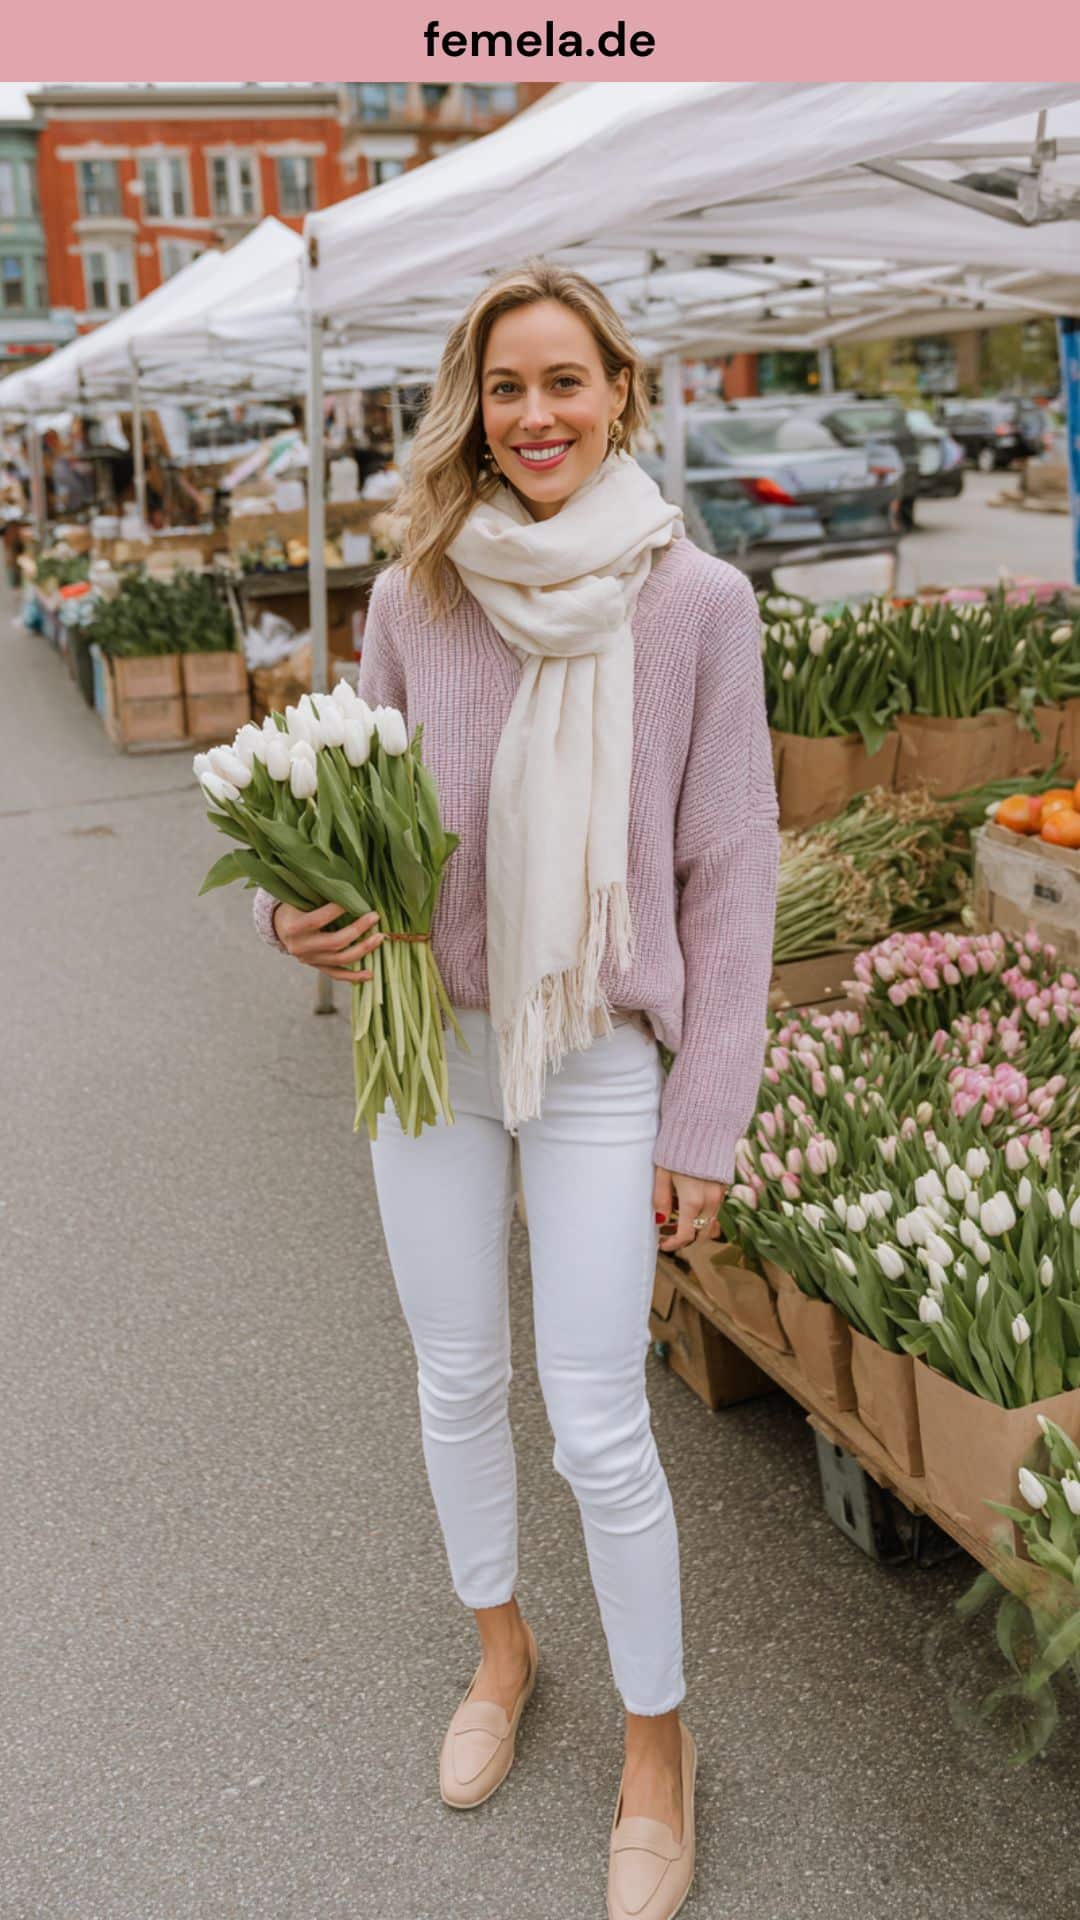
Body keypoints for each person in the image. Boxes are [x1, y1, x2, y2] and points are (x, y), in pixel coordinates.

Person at [251, 259, 779, 1920]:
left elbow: (732, 875)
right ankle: (502, 1649)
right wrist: (295, 909)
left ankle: (655, 1744)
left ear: (621, 391)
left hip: (605, 1055)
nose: (535, 414)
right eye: (505, 387)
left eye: (565, 381)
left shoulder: (697, 602)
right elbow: (353, 795)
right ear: (471, 410)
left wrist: (708, 1119)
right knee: (456, 1374)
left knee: (601, 1418)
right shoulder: (419, 593)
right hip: (435, 1039)